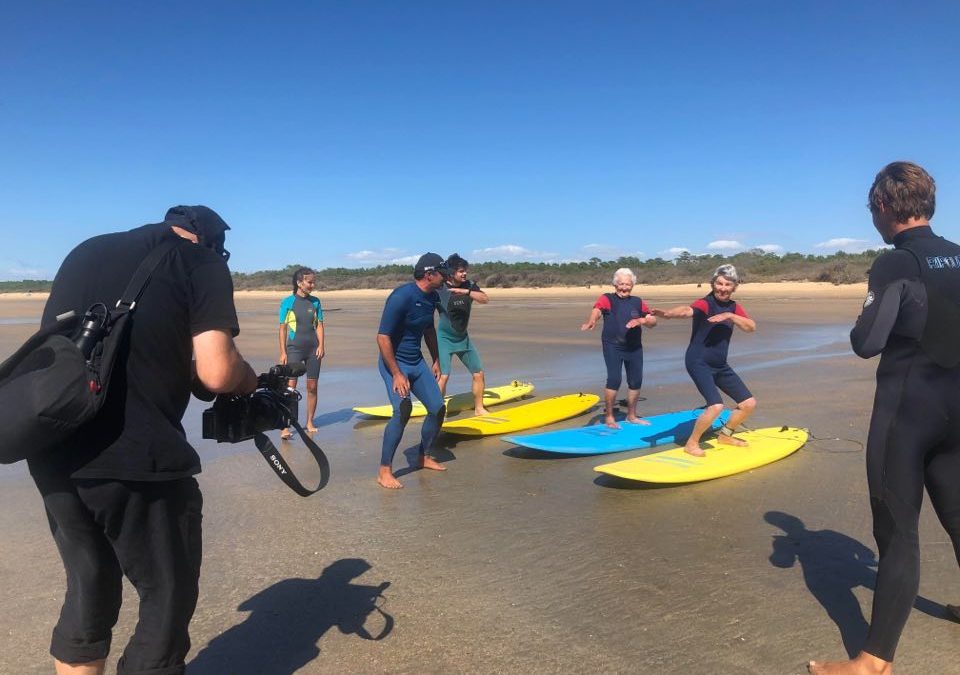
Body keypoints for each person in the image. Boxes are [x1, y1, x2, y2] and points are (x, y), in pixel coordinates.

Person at [27, 206, 258, 675]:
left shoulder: (86, 249)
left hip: (52, 445)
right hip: (135, 455)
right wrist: (248, 380)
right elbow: (216, 370)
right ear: (209, 241)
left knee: (88, 588)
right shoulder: (202, 261)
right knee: (165, 596)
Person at [809, 161, 960, 674]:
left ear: (882, 206)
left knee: (897, 533)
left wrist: (867, 314)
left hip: (908, 415)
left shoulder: (895, 263)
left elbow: (866, 343)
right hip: (958, 414)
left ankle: (872, 662)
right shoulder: (959, 256)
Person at [650, 264, 757, 456]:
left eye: (727, 285)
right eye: (719, 283)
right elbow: (686, 311)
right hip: (698, 361)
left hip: (720, 365)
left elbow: (750, 327)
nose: (722, 288)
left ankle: (725, 435)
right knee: (716, 406)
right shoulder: (705, 303)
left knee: (748, 404)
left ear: (734, 287)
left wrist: (730, 315)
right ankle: (691, 444)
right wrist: (668, 314)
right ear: (713, 283)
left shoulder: (734, 307)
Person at [375, 252, 449, 489]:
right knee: (402, 410)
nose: (445, 277)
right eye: (442, 272)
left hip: (416, 362)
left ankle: (422, 455)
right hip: (394, 364)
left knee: (437, 408)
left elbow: (428, 330)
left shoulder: (432, 297)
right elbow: (383, 337)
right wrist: (397, 373)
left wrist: (436, 359)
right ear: (429, 274)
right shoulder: (401, 297)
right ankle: (384, 470)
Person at [580, 267, 657, 428]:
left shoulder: (638, 301)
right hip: (612, 346)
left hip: (634, 347)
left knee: (636, 381)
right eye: (621, 284)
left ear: (632, 285)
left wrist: (643, 321)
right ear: (615, 284)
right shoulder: (607, 298)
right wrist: (592, 320)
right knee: (614, 379)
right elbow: (597, 310)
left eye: (627, 284)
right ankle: (609, 417)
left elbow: (653, 321)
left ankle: (632, 415)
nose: (624, 287)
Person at [436, 253, 491, 416]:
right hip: (444, 339)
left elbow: (485, 299)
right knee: (444, 376)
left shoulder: (469, 285)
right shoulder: (440, 288)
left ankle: (479, 408)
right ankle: (437, 411)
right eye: (461, 271)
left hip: (463, 339)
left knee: (478, 373)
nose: (464, 273)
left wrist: (465, 291)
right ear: (452, 272)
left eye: (465, 270)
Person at [278, 267, 325, 439]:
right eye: (309, 282)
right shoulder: (287, 302)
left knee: (312, 387)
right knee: (290, 388)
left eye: (313, 282)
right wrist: (283, 352)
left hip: (313, 349)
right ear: (299, 282)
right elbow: (282, 329)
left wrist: (322, 345)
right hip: (294, 349)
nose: (313, 285)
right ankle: (285, 426)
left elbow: (319, 324)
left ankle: (310, 422)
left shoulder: (316, 302)